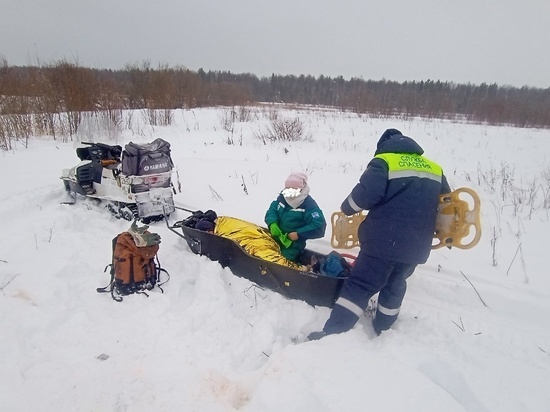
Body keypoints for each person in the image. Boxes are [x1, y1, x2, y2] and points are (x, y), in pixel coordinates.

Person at [308, 129, 451, 340]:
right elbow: (447, 205)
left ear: (384, 145)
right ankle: (383, 326)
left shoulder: (384, 162)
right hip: (416, 246)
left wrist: (347, 208)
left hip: (383, 243)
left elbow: (360, 199)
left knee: (360, 285)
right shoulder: (434, 168)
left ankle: (333, 332)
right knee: (396, 282)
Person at [265, 172, 327, 262]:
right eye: (288, 188)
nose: (289, 192)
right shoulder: (283, 197)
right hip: (276, 238)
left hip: (292, 245)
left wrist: (298, 234)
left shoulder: (308, 205)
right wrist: (272, 223)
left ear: (301, 189)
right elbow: (272, 210)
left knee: (278, 262)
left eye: (293, 189)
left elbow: (319, 226)